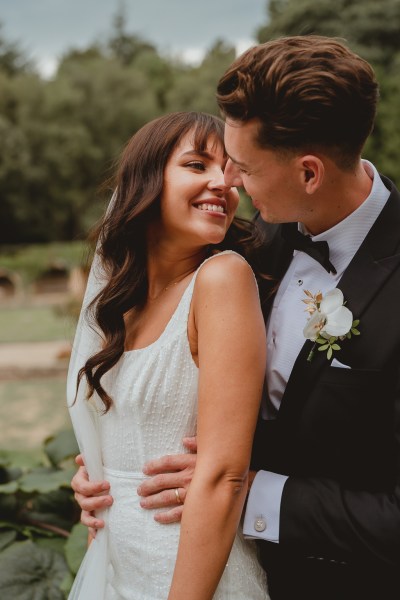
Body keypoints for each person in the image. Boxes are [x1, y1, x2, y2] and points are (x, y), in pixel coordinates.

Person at [72, 36, 400, 599]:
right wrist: (115, 472)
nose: (230, 185)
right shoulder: (246, 249)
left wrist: (253, 493)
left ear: (310, 173)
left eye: (242, 168)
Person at [67, 111, 270, 599]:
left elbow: (223, 475)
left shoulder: (222, 278)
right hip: (115, 571)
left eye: (229, 169)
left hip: (190, 577)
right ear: (145, 182)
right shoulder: (116, 307)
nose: (223, 183)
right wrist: (95, 473)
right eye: (197, 164)